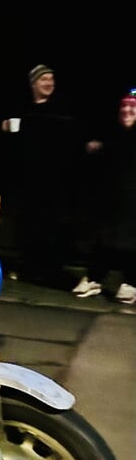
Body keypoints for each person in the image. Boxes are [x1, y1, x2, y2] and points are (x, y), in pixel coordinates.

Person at [1, 64, 98, 288]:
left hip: (55, 181)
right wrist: (6, 129)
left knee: (51, 226)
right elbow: (16, 147)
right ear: (33, 84)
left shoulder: (61, 110)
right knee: (28, 224)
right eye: (44, 79)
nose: (49, 83)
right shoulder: (24, 110)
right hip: (28, 181)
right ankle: (29, 267)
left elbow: (73, 139)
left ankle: (50, 269)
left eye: (51, 79)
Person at [71, 93, 136, 303]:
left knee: (131, 242)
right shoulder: (113, 135)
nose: (127, 112)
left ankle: (131, 283)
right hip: (112, 200)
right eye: (124, 109)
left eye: (132, 109)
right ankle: (94, 278)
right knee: (104, 239)